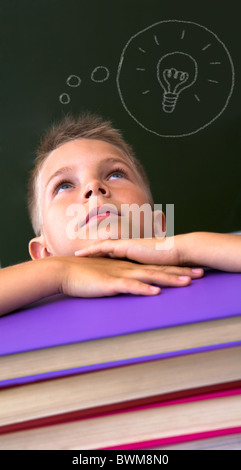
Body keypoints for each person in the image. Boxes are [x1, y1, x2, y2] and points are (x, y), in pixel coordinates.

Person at [0, 113, 240, 317]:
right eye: (63, 185)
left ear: (158, 226)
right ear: (44, 253)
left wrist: (184, 248)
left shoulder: (201, 269)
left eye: (115, 174)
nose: (94, 187)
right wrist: (58, 272)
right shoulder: (32, 300)